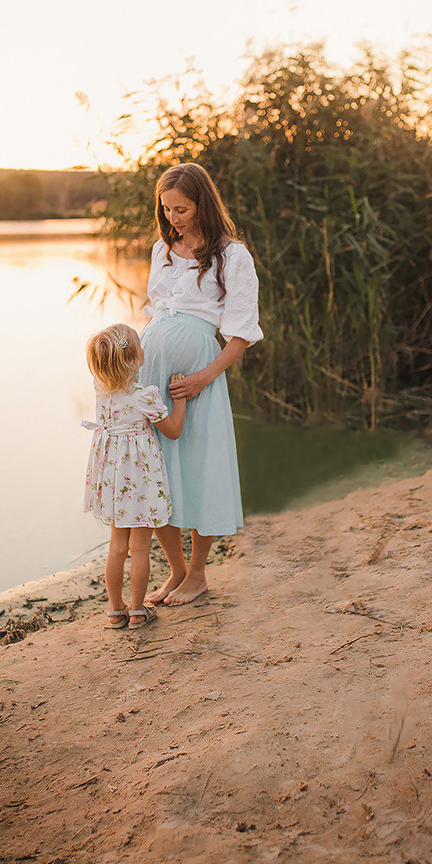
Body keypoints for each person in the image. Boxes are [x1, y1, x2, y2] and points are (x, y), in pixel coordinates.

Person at [139, 162, 263, 607]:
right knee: (155, 471)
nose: (174, 217)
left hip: (199, 378)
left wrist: (204, 377)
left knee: (198, 468)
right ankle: (174, 570)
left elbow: (242, 332)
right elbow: (155, 312)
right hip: (150, 377)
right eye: (167, 208)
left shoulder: (232, 256)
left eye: (183, 208)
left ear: (202, 203)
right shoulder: (162, 249)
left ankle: (198, 573)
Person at [81, 323, 186, 629]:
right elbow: (174, 431)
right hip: (140, 484)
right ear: (134, 360)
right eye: (140, 347)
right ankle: (138, 610)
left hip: (114, 482)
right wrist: (179, 401)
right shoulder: (146, 397)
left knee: (117, 547)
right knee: (140, 548)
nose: (144, 350)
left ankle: (115, 611)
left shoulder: (102, 393)